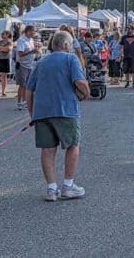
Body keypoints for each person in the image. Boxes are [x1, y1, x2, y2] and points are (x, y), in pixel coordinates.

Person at [26, 30, 89, 201]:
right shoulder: (70, 59)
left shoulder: (41, 63)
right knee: (73, 145)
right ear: (67, 45)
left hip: (42, 112)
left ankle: (51, 189)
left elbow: (29, 90)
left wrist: (32, 114)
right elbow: (80, 82)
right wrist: (86, 92)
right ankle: (68, 186)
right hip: (66, 110)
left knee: (47, 150)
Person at [15, 25, 41, 110]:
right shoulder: (21, 40)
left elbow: (33, 51)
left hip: (30, 64)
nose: (35, 33)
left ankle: (25, 101)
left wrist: (36, 49)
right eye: (34, 31)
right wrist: (31, 51)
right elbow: (20, 54)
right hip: (22, 65)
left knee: (28, 84)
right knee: (22, 85)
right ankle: (19, 102)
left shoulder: (31, 40)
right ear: (28, 31)